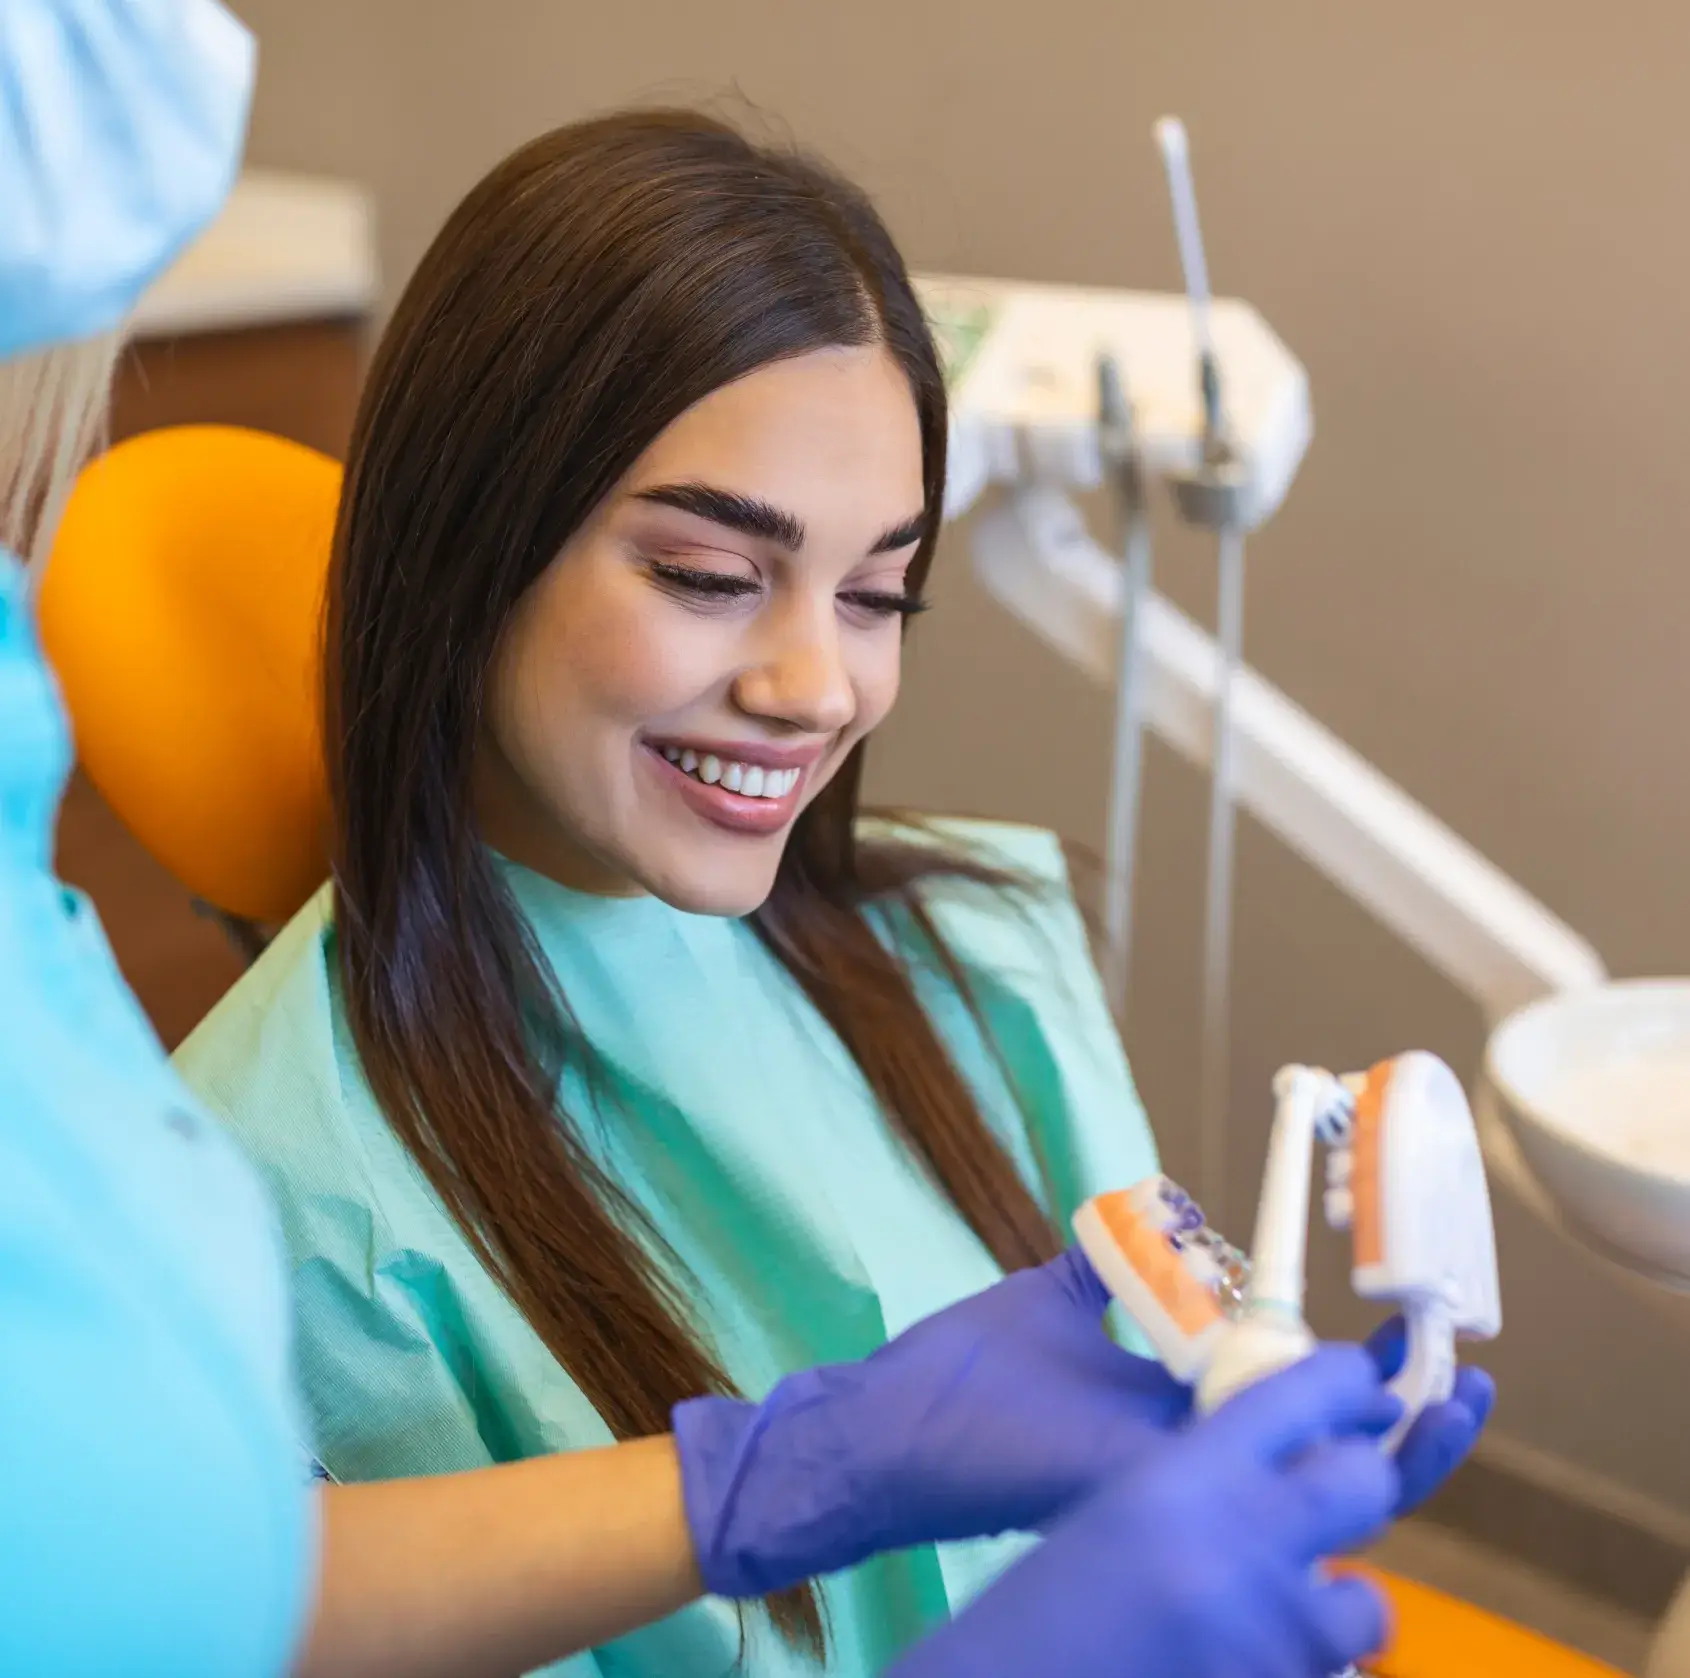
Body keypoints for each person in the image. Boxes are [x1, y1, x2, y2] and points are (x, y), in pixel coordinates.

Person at [169, 97, 1493, 1678]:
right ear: (465, 544)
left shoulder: (962, 948)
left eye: (877, 593)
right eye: (712, 577)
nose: (817, 686)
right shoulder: (275, 1217)